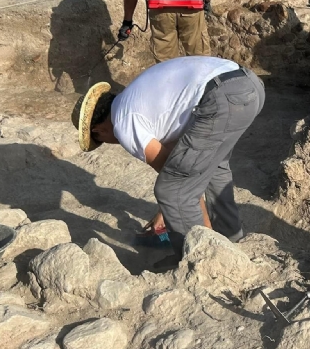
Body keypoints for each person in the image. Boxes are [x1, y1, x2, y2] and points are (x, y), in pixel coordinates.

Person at [72, 57, 265, 262]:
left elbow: (179, 184)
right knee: (214, 170)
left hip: (220, 98)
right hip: (248, 85)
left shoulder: (123, 123)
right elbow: (182, 165)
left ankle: (203, 260)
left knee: (171, 190)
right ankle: (231, 240)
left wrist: (200, 229)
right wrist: (167, 212)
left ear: (98, 130)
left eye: (101, 140)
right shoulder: (138, 99)